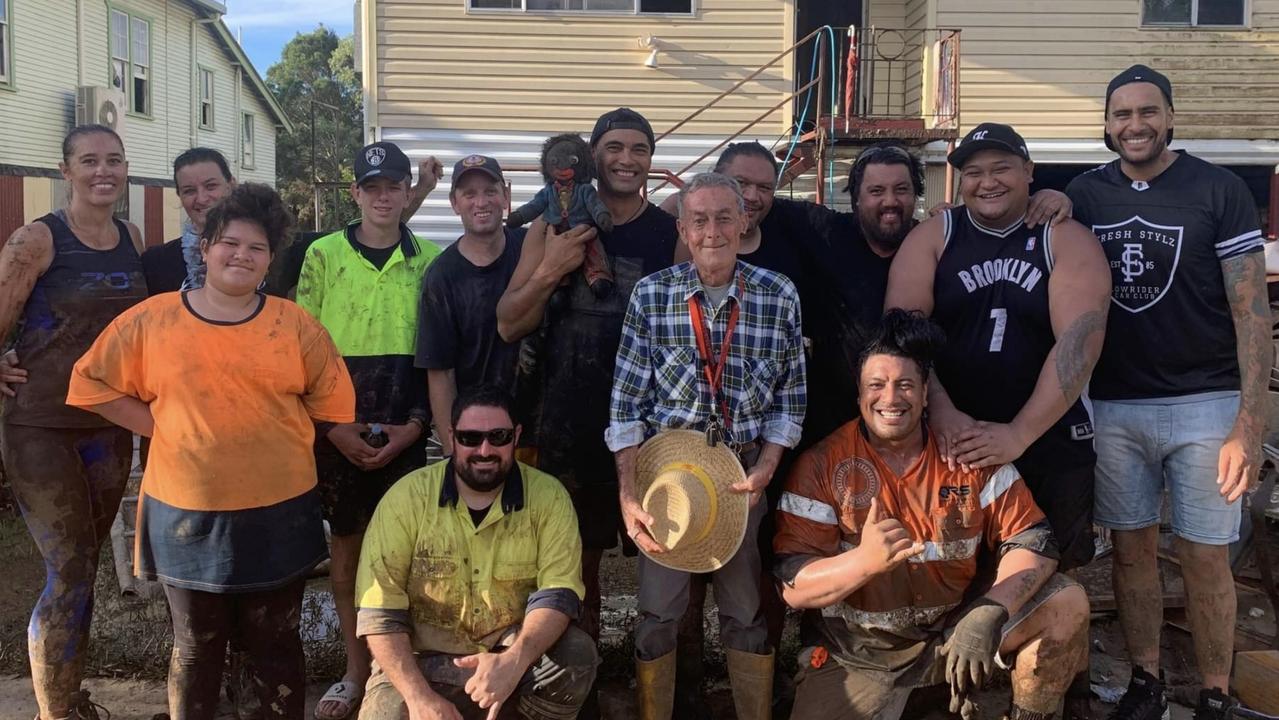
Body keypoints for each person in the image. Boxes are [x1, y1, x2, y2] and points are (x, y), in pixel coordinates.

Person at [66, 183, 356, 720]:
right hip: (186, 516)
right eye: (230, 242)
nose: (241, 255)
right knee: (198, 647)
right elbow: (91, 385)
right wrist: (161, 425)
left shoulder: (295, 326)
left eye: (257, 248)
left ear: (270, 260)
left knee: (274, 646)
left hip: (279, 512)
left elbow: (330, 401)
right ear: (204, 248)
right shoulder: (152, 321)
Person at [1066, 65, 1269, 720]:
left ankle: (1213, 691)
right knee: (1129, 550)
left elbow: (1250, 313)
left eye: (1147, 111)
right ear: (1104, 124)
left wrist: (1248, 422)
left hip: (1203, 402)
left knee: (1205, 556)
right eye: (1121, 114)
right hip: (1115, 402)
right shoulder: (1083, 194)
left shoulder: (1216, 188)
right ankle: (1145, 681)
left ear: (1170, 117)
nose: (1134, 125)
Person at [774, 308, 1091, 720]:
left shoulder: (967, 454)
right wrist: (862, 563)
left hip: (956, 639)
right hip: (863, 657)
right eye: (877, 385)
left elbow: (1033, 539)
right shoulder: (821, 466)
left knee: (1067, 602)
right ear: (858, 393)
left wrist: (988, 612)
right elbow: (793, 586)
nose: (891, 399)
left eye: (905, 385)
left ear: (926, 394)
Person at [607, 171, 806, 720]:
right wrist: (628, 494)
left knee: (745, 611)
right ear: (683, 228)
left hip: (743, 477)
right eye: (700, 219)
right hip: (667, 478)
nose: (713, 230)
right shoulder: (653, 295)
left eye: (724, 217)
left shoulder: (777, 294)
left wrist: (767, 465)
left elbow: (791, 398)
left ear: (744, 222)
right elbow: (625, 405)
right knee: (658, 613)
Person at [885, 122, 1112, 575]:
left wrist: (1019, 434)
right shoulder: (936, 236)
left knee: (1048, 573)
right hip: (955, 440)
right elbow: (901, 332)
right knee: (954, 568)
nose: (986, 182)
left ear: (1029, 171)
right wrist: (941, 409)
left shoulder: (1064, 237)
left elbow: (1078, 345)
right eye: (973, 172)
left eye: (1001, 168)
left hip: (1047, 439)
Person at [496, 108, 679, 653]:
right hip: (569, 420)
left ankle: (671, 685)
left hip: (648, 425)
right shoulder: (549, 227)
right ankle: (583, 687)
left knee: (670, 560)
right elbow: (509, 322)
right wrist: (553, 265)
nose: (627, 159)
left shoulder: (669, 232)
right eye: (615, 147)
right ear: (590, 155)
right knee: (576, 568)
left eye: (640, 149)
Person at [0, 124, 147, 720]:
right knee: (68, 565)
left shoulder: (132, 236)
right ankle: (54, 711)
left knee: (84, 568)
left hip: (109, 427)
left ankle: (71, 695)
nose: (102, 171)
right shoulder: (37, 240)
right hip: (41, 428)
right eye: (89, 161)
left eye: (113, 160)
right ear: (66, 170)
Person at [296, 140, 441, 720]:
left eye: (394, 187)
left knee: (409, 549)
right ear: (354, 193)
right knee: (348, 549)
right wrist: (333, 429)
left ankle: (401, 668)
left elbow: (437, 356)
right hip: (338, 427)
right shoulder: (323, 256)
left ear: (408, 192)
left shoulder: (431, 259)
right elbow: (302, 349)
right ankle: (357, 670)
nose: (383, 197)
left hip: (405, 425)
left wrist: (415, 428)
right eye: (372, 187)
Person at [354, 384, 597, 720]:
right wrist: (419, 698)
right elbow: (379, 612)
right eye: (470, 438)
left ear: (516, 436)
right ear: (451, 437)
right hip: (423, 662)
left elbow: (559, 594)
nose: (485, 449)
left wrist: (513, 661)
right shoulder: (405, 500)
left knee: (576, 654)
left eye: (498, 436)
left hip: (510, 656)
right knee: (384, 713)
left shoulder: (549, 498)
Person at [418, 155, 526, 452]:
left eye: (490, 191)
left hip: (536, 428)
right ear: (455, 203)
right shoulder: (441, 276)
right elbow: (440, 372)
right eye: (470, 194)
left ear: (504, 196)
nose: (481, 202)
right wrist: (454, 450)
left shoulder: (530, 248)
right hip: (480, 436)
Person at [141, 148, 237, 294]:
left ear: (231, 185)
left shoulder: (263, 255)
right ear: (179, 195)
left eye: (211, 186)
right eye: (189, 191)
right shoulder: (155, 262)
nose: (201, 199)